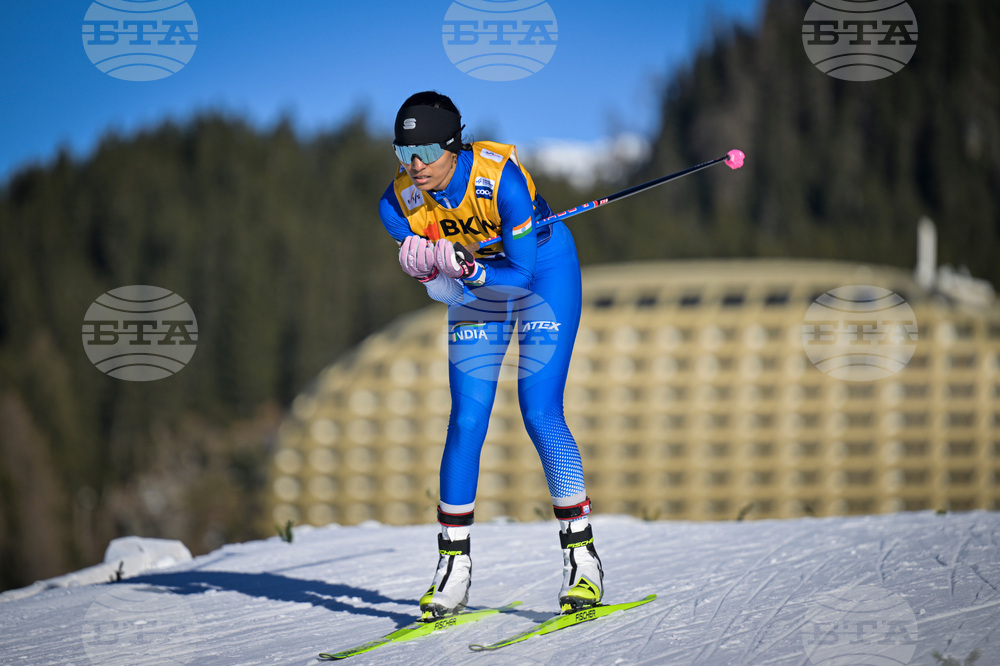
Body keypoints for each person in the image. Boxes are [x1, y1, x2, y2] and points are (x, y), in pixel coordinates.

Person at [378, 90, 603, 618]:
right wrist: (426, 267)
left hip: (542, 272)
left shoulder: (498, 180)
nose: (415, 165)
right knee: (467, 419)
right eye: (403, 152)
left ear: (453, 146)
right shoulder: (400, 199)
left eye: (427, 150)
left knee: (539, 408)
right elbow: (414, 250)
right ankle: (452, 570)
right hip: (476, 288)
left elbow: (520, 276)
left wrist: (467, 269)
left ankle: (583, 560)